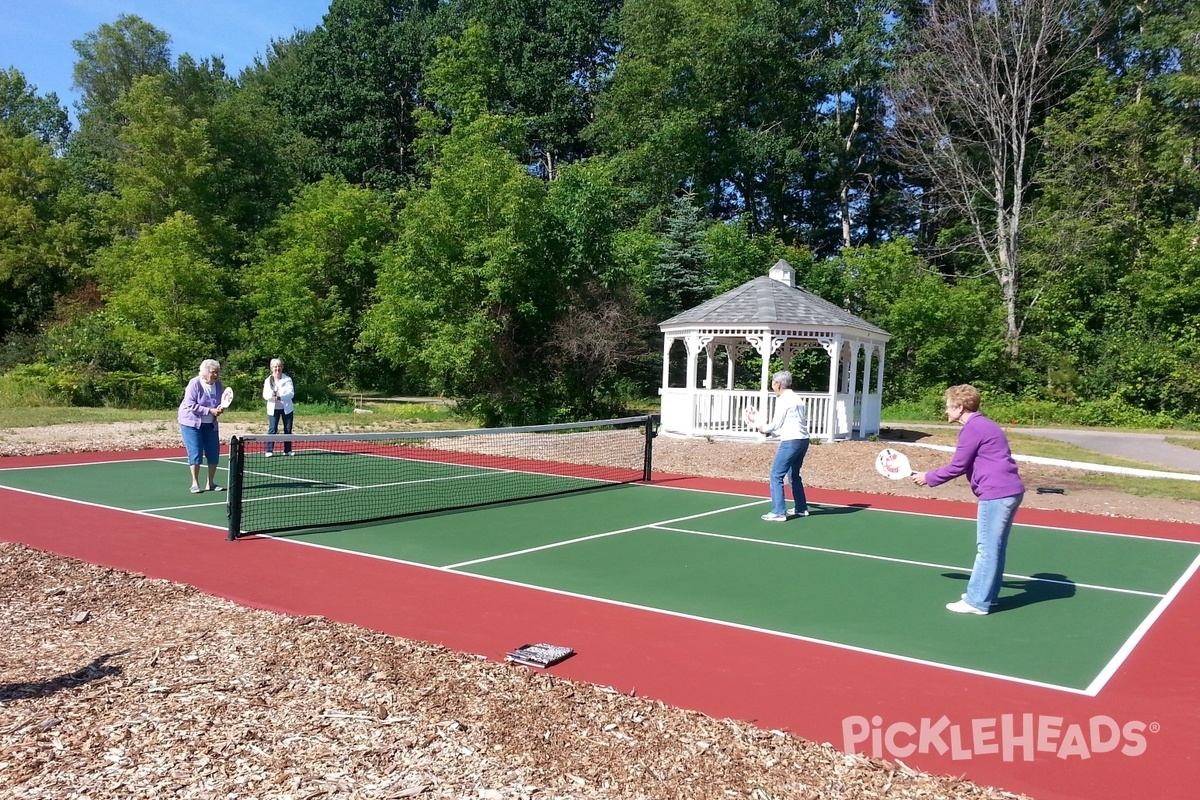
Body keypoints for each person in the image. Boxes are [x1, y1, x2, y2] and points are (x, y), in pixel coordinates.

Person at [913, 384, 1025, 615]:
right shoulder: (985, 425)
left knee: (987, 549)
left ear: (960, 407)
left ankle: (977, 601)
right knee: (996, 548)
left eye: (948, 406)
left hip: (997, 493)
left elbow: (957, 466)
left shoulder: (973, 429)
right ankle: (988, 596)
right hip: (1010, 491)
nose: (945, 411)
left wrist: (928, 477)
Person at [755, 370, 811, 521]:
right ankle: (801, 508)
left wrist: (763, 428)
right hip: (803, 440)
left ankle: (779, 512)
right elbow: (789, 424)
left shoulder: (783, 400)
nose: (772, 386)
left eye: (773, 383)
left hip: (791, 442)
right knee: (793, 475)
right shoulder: (797, 398)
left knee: (776, 475)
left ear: (778, 384)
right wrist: (771, 433)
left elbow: (776, 423)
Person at [177, 359, 226, 493]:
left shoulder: (218, 385)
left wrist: (220, 409)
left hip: (210, 424)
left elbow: (220, 402)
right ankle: (195, 483)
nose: (215, 375)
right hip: (191, 423)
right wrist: (209, 410)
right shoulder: (194, 383)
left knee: (213, 452)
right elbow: (190, 404)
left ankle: (210, 483)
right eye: (213, 372)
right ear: (205, 372)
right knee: (195, 452)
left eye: (217, 372)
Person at [262, 358, 295, 457]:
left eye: (279, 366)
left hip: (287, 409)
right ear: (271, 368)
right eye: (275, 367)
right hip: (273, 409)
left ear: (282, 367)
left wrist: (280, 397)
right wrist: (272, 396)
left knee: (288, 430)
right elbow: (265, 395)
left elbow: (291, 394)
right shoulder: (268, 380)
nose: (277, 368)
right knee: (272, 429)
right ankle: (269, 450)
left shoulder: (288, 379)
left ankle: (287, 450)